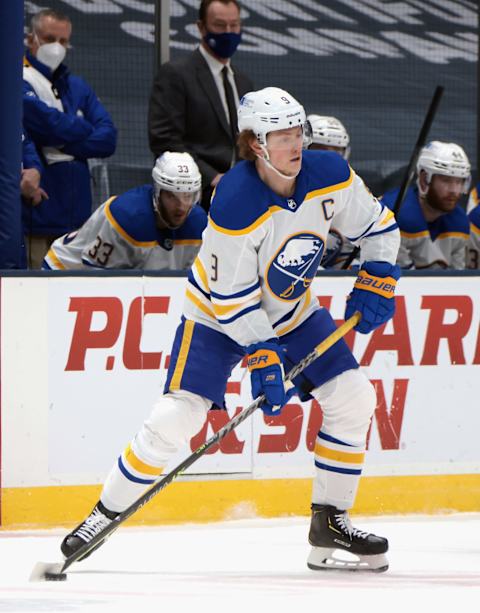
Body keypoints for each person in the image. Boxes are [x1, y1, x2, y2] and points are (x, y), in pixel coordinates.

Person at [61, 87, 400, 573]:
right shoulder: (235, 202)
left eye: (298, 131)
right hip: (217, 317)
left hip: (292, 309)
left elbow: (380, 226)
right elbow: (232, 299)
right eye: (282, 135)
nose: (296, 143)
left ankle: (331, 522)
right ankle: (102, 515)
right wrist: (262, 355)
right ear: (256, 144)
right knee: (176, 417)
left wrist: (379, 276)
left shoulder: (330, 175)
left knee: (353, 398)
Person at [23, 8, 117, 268]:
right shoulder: (19, 79)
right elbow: (45, 121)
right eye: (50, 38)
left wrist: (58, 138)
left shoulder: (77, 86)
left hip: (77, 225)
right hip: (37, 217)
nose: (56, 47)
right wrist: (83, 127)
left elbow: (108, 138)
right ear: (32, 38)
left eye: (63, 41)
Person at [148, 0, 253, 210]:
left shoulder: (243, 81)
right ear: (201, 27)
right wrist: (213, 178)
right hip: (192, 198)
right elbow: (164, 139)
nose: (229, 32)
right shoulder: (176, 75)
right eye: (220, 26)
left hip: (241, 197)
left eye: (234, 25)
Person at [43, 152, 206, 270]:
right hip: (65, 272)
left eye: (187, 196)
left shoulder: (199, 224)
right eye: (172, 196)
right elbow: (96, 276)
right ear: (157, 193)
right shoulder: (126, 217)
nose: (181, 206)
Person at [382, 141, 471, 269]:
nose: (454, 190)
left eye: (459, 181)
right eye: (446, 180)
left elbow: (459, 281)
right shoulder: (395, 214)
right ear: (424, 180)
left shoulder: (460, 222)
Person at [307, 114, 355, 269]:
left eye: (336, 153)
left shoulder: (352, 196)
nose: (327, 161)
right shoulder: (282, 188)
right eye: (320, 150)